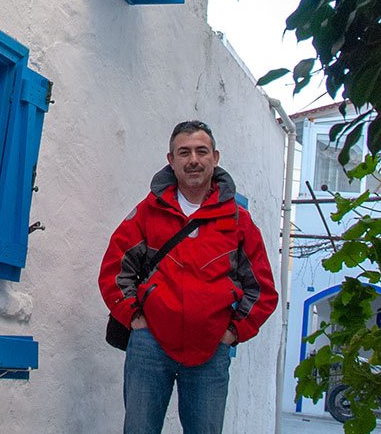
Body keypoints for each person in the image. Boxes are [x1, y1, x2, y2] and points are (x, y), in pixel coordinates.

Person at [98, 120, 278, 434]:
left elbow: (262, 289)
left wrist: (234, 332)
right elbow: (115, 270)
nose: (193, 159)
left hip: (211, 350)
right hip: (150, 345)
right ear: (171, 159)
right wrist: (134, 318)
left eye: (201, 151)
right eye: (184, 152)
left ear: (215, 157)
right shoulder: (148, 212)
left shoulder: (238, 220)